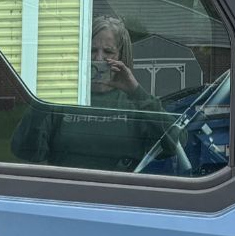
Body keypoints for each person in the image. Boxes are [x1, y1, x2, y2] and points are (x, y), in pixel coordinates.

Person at [11, 14, 174, 171]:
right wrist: (45, 96)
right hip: (66, 191)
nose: (98, 58)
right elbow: (24, 150)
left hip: (120, 194)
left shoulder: (134, 102)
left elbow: (174, 144)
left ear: (121, 56)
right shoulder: (64, 97)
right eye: (92, 50)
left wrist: (137, 92)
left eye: (108, 52)